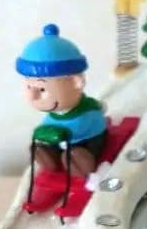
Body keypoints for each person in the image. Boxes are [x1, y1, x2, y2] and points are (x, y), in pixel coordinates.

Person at [16, 24, 107, 178]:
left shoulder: (88, 109)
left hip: (87, 140)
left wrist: (57, 133)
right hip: (60, 142)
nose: (32, 97)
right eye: (29, 87)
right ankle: (49, 157)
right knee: (50, 146)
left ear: (76, 82)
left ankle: (79, 164)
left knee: (79, 152)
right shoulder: (54, 114)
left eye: (42, 89)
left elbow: (80, 127)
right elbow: (49, 125)